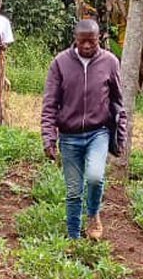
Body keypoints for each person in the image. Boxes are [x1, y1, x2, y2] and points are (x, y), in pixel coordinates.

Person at [41, 19, 127, 240]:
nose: (88, 46)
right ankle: (73, 237)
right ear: (75, 39)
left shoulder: (110, 62)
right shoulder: (60, 63)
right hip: (69, 136)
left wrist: (121, 134)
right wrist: (49, 137)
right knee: (73, 191)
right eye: (83, 41)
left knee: (96, 177)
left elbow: (118, 102)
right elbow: (50, 104)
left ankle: (93, 215)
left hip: (98, 132)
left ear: (99, 39)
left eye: (93, 41)